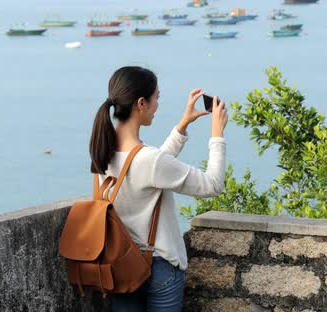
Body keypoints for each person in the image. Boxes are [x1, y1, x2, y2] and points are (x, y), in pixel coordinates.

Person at [88, 66, 228, 311]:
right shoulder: (149, 160)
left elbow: (149, 170)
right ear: (141, 103)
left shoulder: (102, 151)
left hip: (119, 264)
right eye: (157, 98)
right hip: (159, 267)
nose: (157, 105)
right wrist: (217, 135)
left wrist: (183, 125)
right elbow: (212, 185)